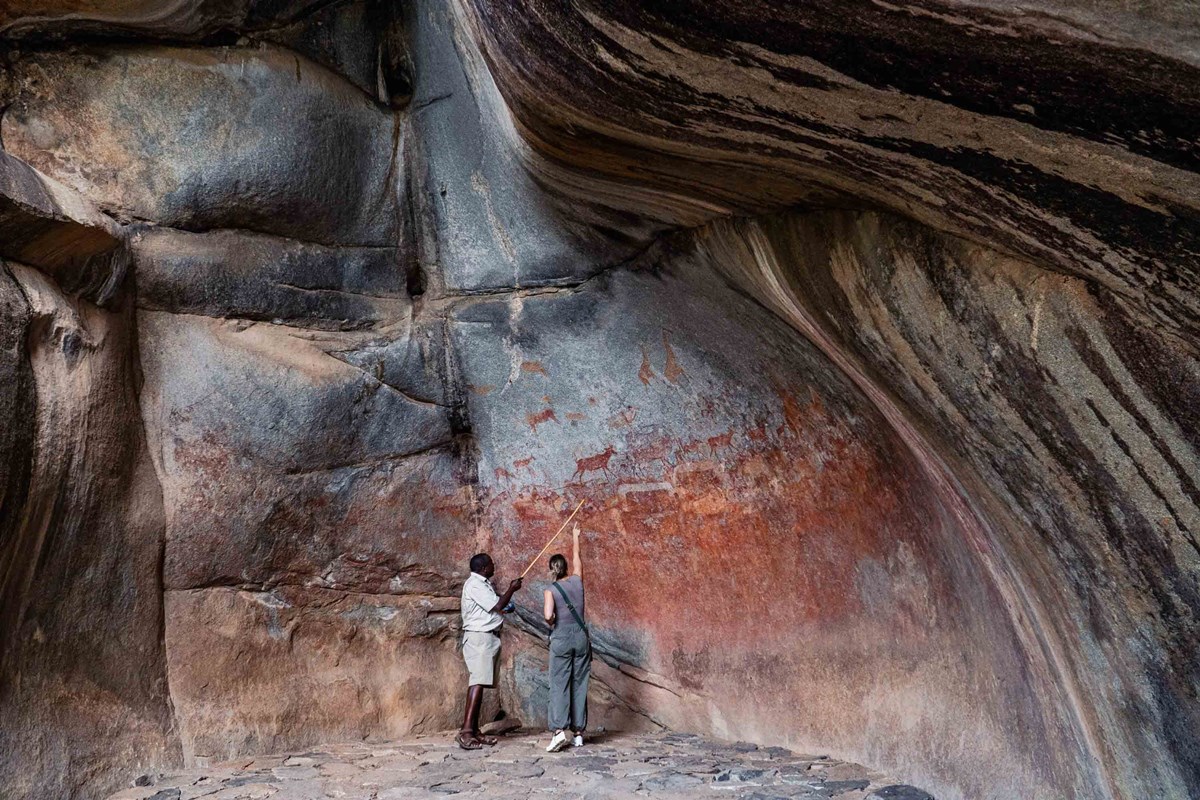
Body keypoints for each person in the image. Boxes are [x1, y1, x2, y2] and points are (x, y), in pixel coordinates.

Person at [457, 552, 522, 750]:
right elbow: (498, 604)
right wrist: (512, 589)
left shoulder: (483, 583)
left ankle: (474, 731)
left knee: (481, 682)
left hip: (487, 637)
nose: (494, 566)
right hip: (479, 638)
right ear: (484, 567)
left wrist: (506, 601)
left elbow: (497, 605)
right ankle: (466, 732)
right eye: (492, 564)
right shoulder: (475, 584)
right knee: (477, 681)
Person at [544, 523, 591, 752]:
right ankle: (579, 733)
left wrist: (552, 619)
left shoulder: (550, 590)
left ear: (552, 569)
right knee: (579, 683)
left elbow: (548, 617)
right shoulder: (578, 581)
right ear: (565, 568)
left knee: (559, 683)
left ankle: (559, 730)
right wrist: (575, 536)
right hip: (581, 638)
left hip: (561, 638)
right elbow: (577, 557)